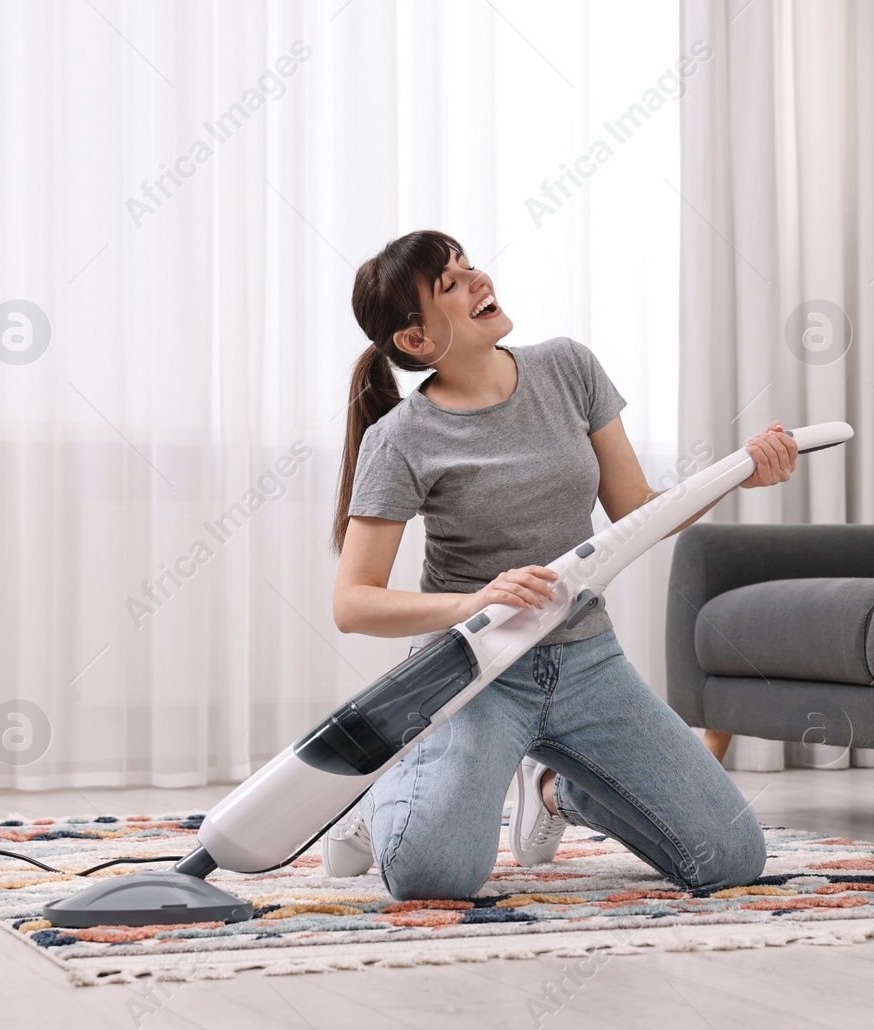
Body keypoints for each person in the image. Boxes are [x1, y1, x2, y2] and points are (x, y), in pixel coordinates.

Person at [324, 230, 798, 901]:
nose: (477, 280)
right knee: (434, 872)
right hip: (473, 670)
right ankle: (385, 799)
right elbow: (353, 602)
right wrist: (473, 602)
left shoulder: (568, 368)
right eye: (451, 285)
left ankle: (555, 791)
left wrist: (739, 471)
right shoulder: (400, 438)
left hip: (586, 662)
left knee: (730, 857)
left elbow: (635, 506)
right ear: (416, 340)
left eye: (469, 266)